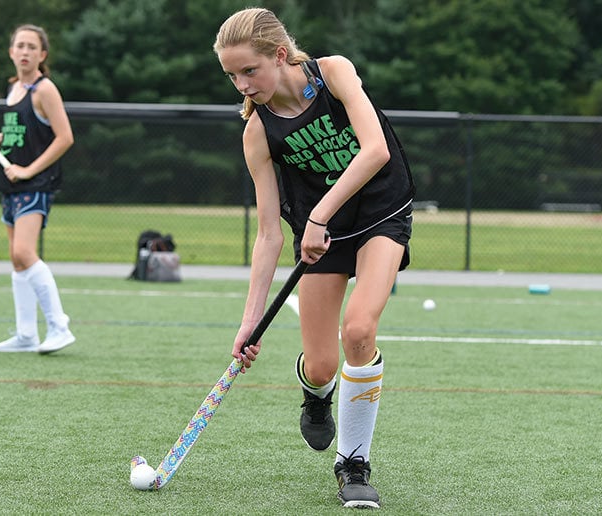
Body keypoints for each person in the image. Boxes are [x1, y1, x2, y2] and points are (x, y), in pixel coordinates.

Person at [214, 8, 415, 509]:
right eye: (232, 76)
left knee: (359, 330)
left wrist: (320, 217)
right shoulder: (257, 132)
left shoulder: (334, 72)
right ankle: (315, 393)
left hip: (379, 213)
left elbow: (374, 152)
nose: (242, 84)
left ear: (279, 55)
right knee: (324, 365)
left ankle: (353, 464)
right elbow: (267, 236)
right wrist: (249, 320)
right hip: (320, 234)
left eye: (249, 71)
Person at [0, 24, 76, 355]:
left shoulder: (45, 90)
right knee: (16, 261)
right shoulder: (14, 89)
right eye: (20, 45)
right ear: (11, 52)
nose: (26, 51)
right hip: (11, 182)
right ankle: (26, 334)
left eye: (33, 46)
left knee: (24, 253)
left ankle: (59, 326)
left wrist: (29, 170)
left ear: (42, 55)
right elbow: (21, 132)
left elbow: (64, 137)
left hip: (35, 182)